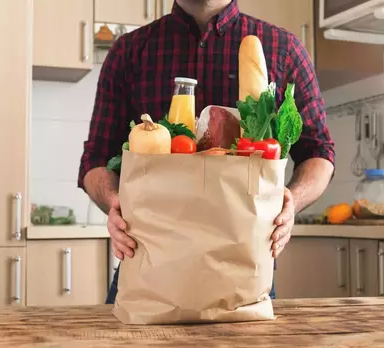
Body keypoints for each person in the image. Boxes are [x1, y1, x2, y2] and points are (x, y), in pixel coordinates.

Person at [78, 0, 335, 304]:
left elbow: (319, 152)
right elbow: (95, 160)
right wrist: (114, 204)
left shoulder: (283, 48)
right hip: (149, 272)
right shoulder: (130, 51)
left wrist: (290, 203)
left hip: (243, 277)